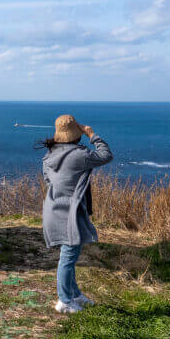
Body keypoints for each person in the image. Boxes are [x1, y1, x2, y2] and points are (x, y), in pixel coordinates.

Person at [37, 114, 113, 314]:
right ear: (76, 135)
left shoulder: (48, 157)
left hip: (54, 208)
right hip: (69, 212)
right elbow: (106, 155)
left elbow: (48, 182)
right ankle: (64, 301)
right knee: (68, 257)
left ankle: (74, 293)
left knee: (71, 253)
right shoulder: (80, 155)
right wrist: (92, 135)